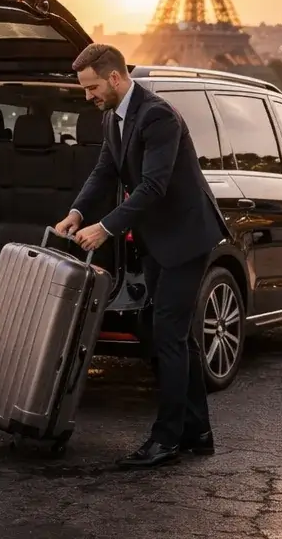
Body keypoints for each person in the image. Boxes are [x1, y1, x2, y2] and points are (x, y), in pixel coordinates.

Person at [54, 44, 230, 470]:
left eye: (92, 87)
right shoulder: (112, 116)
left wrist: (106, 227)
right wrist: (78, 213)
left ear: (114, 78)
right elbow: (104, 172)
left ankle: (166, 439)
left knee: (165, 334)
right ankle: (197, 433)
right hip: (158, 239)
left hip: (187, 238)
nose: (87, 95)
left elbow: (153, 186)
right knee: (172, 336)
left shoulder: (158, 116)